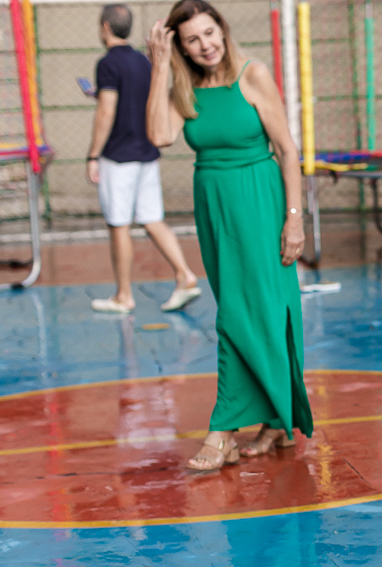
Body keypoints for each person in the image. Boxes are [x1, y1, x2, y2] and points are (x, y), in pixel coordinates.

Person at [146, 0, 312, 470]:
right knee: (242, 311)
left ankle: (222, 432)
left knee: (248, 314)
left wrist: (294, 218)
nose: (206, 46)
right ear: (181, 45)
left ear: (223, 29)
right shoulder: (186, 87)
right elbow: (159, 136)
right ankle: (278, 422)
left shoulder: (253, 75)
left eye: (210, 33)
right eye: (193, 39)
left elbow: (286, 148)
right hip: (215, 209)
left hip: (260, 203)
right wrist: (160, 67)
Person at [87, 3, 199, 314]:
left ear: (105, 28)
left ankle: (124, 295)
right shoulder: (143, 60)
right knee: (152, 219)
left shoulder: (108, 63)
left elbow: (107, 111)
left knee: (119, 225)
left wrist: (93, 155)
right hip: (147, 154)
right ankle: (185, 275)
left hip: (119, 157)